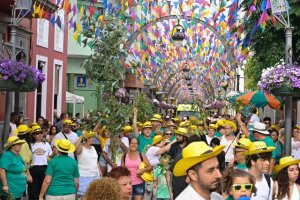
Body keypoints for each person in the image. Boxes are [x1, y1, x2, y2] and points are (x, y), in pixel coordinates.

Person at [28, 126, 55, 200]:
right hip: (33, 168)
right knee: (33, 190)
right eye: (37, 133)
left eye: (41, 132)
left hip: (44, 168)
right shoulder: (30, 145)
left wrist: (55, 153)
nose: (40, 134)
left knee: (43, 189)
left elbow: (51, 155)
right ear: (33, 135)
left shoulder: (46, 144)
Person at [75, 131, 101, 197]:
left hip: (95, 175)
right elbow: (74, 148)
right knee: (83, 196)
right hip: (83, 176)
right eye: (91, 137)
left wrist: (99, 170)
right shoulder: (81, 147)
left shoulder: (93, 148)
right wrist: (82, 136)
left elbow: (96, 160)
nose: (93, 139)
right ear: (87, 138)